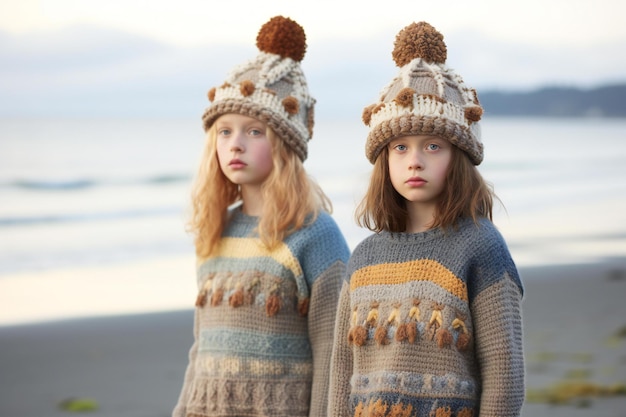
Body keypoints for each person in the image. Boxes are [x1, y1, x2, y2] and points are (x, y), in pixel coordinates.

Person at [328, 21, 525, 417]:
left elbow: (504, 375)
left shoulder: (480, 246)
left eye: (433, 146)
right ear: (384, 161)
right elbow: (341, 373)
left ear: (459, 156)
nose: (414, 160)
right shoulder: (365, 256)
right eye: (400, 147)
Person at [172, 16, 350, 417]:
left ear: (285, 144)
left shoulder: (315, 234)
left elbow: (334, 354)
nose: (236, 144)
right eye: (225, 131)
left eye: (254, 132)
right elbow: (201, 349)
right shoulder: (216, 230)